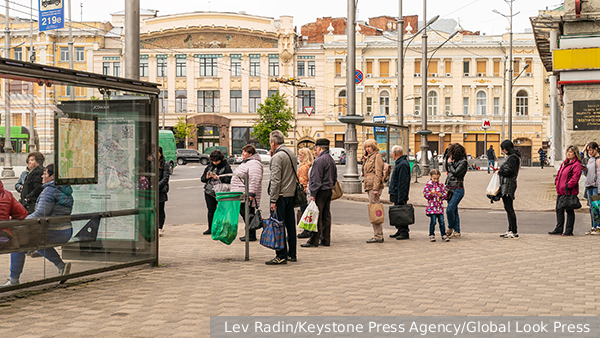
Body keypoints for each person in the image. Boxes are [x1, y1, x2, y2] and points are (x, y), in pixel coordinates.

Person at [2, 164, 73, 287]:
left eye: (45, 173)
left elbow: (40, 213)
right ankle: (61, 266)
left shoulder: (49, 191)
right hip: (66, 230)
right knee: (38, 244)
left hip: (54, 231)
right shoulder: (66, 190)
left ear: (53, 176)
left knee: (19, 245)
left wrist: (24, 222)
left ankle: (13, 280)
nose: (42, 175)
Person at [266, 130, 297, 265]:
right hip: (291, 194)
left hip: (281, 196)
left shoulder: (277, 157)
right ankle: (292, 254)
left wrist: (273, 199)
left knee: (278, 226)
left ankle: (281, 255)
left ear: (273, 142)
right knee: (290, 225)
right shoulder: (291, 153)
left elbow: (276, 180)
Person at [303, 138, 336, 248]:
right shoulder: (331, 159)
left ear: (320, 148)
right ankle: (326, 239)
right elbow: (335, 176)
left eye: (316, 147)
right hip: (328, 189)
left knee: (316, 215)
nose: (315, 150)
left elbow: (316, 179)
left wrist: (313, 193)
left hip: (320, 191)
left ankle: (313, 240)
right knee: (326, 215)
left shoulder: (319, 160)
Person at [231, 144, 263, 242]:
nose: (242, 154)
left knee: (248, 214)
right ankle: (249, 234)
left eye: (244, 152)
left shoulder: (254, 164)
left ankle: (251, 235)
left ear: (250, 153)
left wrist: (251, 193)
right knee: (246, 215)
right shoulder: (247, 163)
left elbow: (255, 178)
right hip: (242, 193)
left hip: (246, 194)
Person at [549, 146, 582, 236]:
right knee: (559, 210)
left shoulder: (576, 164)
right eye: (568, 152)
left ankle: (569, 230)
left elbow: (575, 178)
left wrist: (567, 185)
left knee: (569, 211)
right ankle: (559, 228)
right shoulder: (564, 163)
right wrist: (556, 182)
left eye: (571, 152)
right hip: (560, 191)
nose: (568, 153)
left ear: (575, 154)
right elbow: (559, 174)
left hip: (569, 192)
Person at [201, 149, 232, 235]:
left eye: (216, 161)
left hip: (221, 192)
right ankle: (211, 228)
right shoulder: (210, 166)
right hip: (209, 191)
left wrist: (219, 178)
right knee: (211, 210)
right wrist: (207, 177)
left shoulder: (226, 166)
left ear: (221, 159)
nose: (215, 163)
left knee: (222, 210)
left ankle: (222, 228)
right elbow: (202, 179)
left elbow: (230, 179)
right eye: (213, 161)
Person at [362, 139, 385, 243]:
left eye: (369, 147)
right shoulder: (369, 157)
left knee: (375, 210)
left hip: (373, 187)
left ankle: (378, 235)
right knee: (373, 210)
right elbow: (364, 171)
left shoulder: (377, 156)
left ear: (374, 147)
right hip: (369, 186)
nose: (367, 149)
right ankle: (377, 234)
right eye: (366, 147)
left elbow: (378, 173)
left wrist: (376, 188)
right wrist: (365, 159)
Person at [498, 140, 521, 239]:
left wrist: (501, 171)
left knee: (509, 208)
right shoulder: (512, 157)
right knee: (508, 208)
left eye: (503, 149)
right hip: (506, 184)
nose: (503, 151)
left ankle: (514, 230)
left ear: (507, 149)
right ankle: (510, 229)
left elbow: (510, 171)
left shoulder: (513, 158)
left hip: (508, 184)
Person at [388, 145, 411, 240]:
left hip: (399, 193)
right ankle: (400, 230)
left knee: (401, 212)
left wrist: (401, 197)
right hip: (396, 192)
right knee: (398, 213)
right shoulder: (400, 163)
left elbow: (403, 182)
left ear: (394, 153)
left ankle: (404, 232)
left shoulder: (402, 164)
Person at [445, 143, 468, 239]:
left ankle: (450, 227)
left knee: (450, 209)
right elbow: (447, 169)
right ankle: (457, 231)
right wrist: (448, 161)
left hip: (458, 189)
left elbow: (455, 172)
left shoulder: (463, 162)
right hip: (449, 189)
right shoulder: (454, 161)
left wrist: (450, 163)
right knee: (454, 210)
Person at [423, 169, 449, 242]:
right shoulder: (428, 185)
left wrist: (442, 195)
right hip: (431, 207)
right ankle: (431, 234)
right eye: (434, 178)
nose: (436, 180)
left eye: (437, 178)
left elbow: (445, 194)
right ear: (431, 177)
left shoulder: (441, 185)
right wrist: (430, 194)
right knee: (433, 221)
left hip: (439, 207)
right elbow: (425, 194)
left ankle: (443, 234)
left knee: (442, 221)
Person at [582, 142, 600, 235]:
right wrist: (585, 170)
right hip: (589, 186)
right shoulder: (590, 160)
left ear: (596, 149)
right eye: (588, 150)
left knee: (596, 207)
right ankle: (593, 227)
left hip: (596, 187)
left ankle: (598, 227)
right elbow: (586, 174)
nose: (589, 152)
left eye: (591, 150)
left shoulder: (599, 160)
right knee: (592, 208)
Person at [296, 147, 314, 239]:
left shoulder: (303, 167)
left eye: (300, 155)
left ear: (305, 156)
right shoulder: (309, 165)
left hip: (304, 194)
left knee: (305, 212)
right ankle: (308, 230)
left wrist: (301, 193)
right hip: (309, 193)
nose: (299, 156)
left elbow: (303, 182)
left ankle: (306, 231)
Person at [158, 147, 170, 237]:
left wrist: (156, 186)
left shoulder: (164, 164)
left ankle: (160, 227)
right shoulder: (150, 163)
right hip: (150, 190)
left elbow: (165, 178)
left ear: (161, 153)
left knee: (160, 209)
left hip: (160, 190)